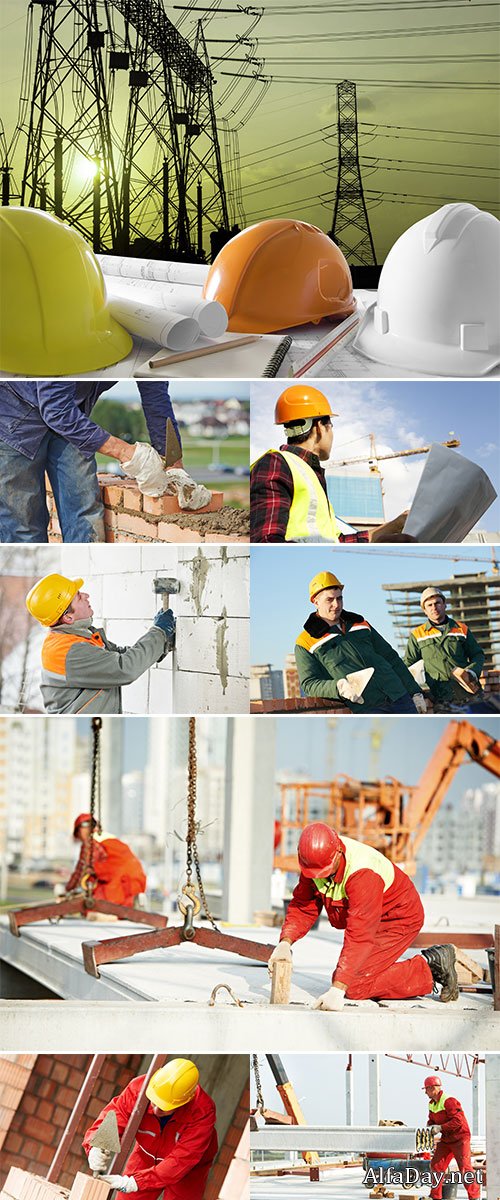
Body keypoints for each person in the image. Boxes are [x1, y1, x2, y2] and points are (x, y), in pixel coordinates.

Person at [268, 822, 460, 1010]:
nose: (318, 878)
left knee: (354, 985)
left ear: (338, 854)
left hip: (398, 918)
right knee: (351, 977)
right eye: (313, 874)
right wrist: (285, 942)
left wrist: (338, 989)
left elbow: (359, 935)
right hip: (373, 916)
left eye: (323, 873)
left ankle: (432, 967)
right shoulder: (316, 861)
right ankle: (418, 966)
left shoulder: (362, 874)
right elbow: (303, 906)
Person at [0, 380, 208, 543]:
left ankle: (81, 574)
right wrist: (128, 454)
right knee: (23, 526)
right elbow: (56, 410)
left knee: (85, 513)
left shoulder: (144, 343)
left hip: (70, 411)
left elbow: (156, 398)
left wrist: (174, 465)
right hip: (14, 416)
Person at [250, 384, 412, 543]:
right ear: (320, 426)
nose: (332, 433)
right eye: (331, 426)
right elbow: (267, 540)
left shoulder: (311, 476)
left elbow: (335, 541)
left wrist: (395, 525)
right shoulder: (276, 463)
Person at [25, 573, 175, 714]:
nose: (86, 596)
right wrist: (159, 631)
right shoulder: (71, 651)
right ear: (68, 617)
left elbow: (120, 655)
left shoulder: (75, 637)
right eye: (78, 597)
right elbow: (124, 668)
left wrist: (162, 643)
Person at [295, 571, 426, 714]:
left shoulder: (361, 624)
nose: (336, 605)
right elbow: (309, 683)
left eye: (339, 598)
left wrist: (415, 692)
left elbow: (391, 657)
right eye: (330, 600)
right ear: (315, 601)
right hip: (367, 706)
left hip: (399, 696)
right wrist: (338, 687)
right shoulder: (306, 642)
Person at [84, 1059, 218, 1198]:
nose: (155, 1110)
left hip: (188, 1169)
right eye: (154, 1101)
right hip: (145, 1155)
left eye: (164, 1108)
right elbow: (117, 1114)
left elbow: (182, 1159)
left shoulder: (202, 1112)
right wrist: (97, 1145)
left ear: (183, 1102)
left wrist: (135, 1182)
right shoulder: (139, 1089)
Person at [404, 588, 485, 711]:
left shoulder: (461, 629)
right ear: (424, 610)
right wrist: (415, 692)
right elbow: (407, 665)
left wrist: (471, 672)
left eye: (437, 603)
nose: (434, 608)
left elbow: (477, 655)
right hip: (440, 696)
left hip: (469, 691)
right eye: (429, 605)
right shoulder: (417, 635)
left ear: (444, 605)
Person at [60, 813, 147, 906]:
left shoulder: (90, 843)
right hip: (134, 882)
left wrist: (68, 890)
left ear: (81, 830)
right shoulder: (108, 839)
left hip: (119, 883)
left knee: (95, 906)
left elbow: (81, 869)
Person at [423, 1075, 481, 1200]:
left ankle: (474, 1197)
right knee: (436, 1165)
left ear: (433, 1088)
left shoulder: (449, 1101)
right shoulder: (431, 1104)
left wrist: (440, 1128)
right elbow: (432, 1120)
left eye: (426, 1089)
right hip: (447, 1139)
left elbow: (458, 1121)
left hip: (460, 1138)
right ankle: (435, 1196)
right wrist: (429, 1127)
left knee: (465, 1167)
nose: (425, 1092)